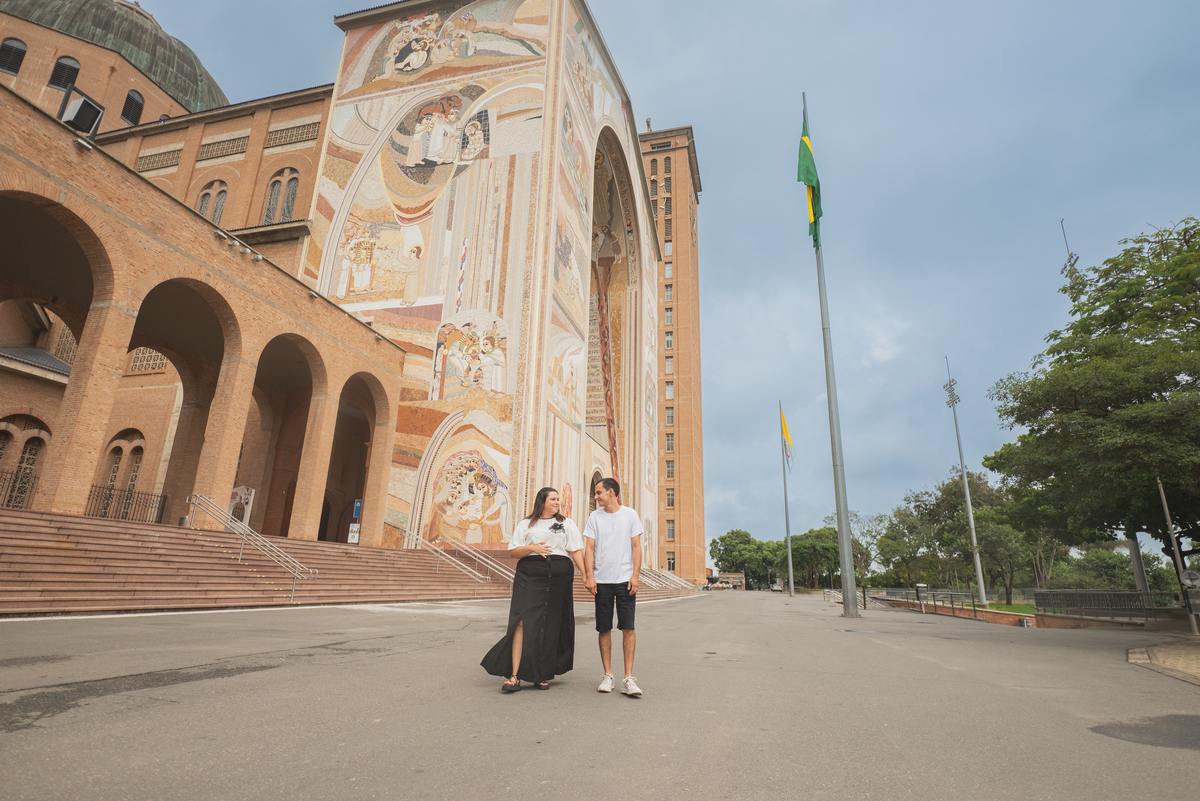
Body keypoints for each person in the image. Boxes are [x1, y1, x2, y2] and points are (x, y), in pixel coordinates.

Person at [481, 487, 585, 692]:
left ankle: (542, 673)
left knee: (550, 622)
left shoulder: (566, 524)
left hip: (558, 577)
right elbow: (513, 551)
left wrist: (587, 575)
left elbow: (575, 550)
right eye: (553, 499)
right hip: (530, 575)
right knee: (521, 621)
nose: (557, 502)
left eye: (558, 499)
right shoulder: (526, 524)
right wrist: (532, 548)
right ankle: (515, 675)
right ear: (542, 501)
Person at [582, 478, 643, 697]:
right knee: (604, 628)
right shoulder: (594, 517)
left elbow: (636, 547)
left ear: (611, 492)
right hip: (602, 581)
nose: (595, 496)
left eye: (598, 493)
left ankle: (628, 677)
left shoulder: (630, 515)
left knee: (628, 627)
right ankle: (608, 675)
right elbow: (589, 549)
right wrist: (589, 575)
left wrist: (635, 575)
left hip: (625, 579)